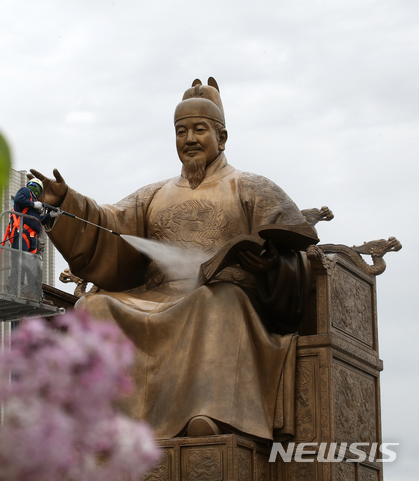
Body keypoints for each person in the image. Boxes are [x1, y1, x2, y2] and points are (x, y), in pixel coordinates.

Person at [32, 78, 317, 442]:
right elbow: (110, 225)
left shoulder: (252, 188)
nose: (190, 139)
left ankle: (209, 414)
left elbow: (295, 250)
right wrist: (66, 203)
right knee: (94, 305)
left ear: (222, 138)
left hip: (226, 296)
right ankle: (102, 422)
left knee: (215, 301)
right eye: (181, 131)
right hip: (156, 295)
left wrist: (272, 265)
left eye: (200, 130)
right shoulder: (153, 194)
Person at [2, 178, 56, 297]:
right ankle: (14, 290)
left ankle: (34, 292)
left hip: (31, 238)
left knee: (32, 267)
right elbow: (18, 199)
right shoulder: (25, 192)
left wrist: (50, 215)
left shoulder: (33, 209)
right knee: (19, 263)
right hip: (21, 233)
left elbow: (38, 221)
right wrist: (33, 204)